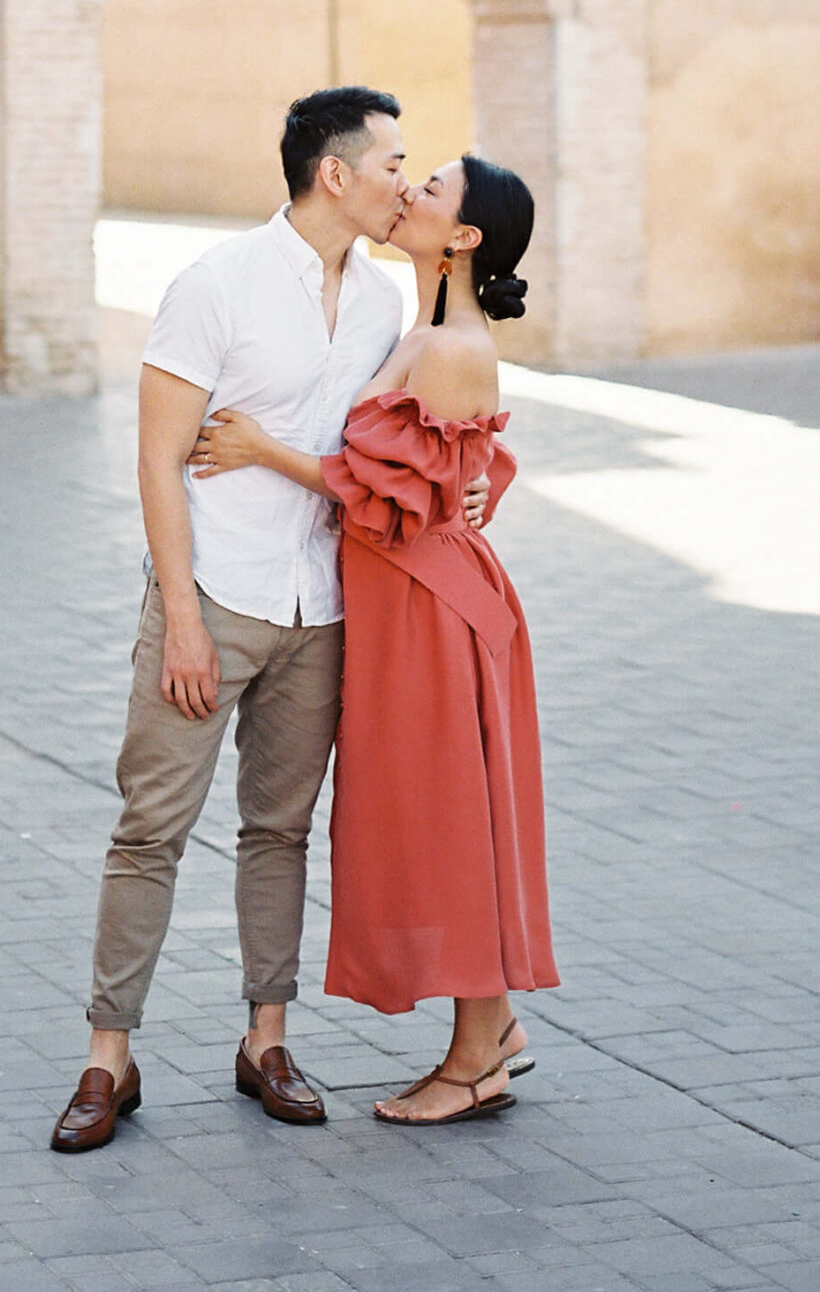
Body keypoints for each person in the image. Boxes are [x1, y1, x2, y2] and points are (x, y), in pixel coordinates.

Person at [49, 87, 490, 1154]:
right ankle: (109, 1057)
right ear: (333, 173)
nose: (404, 178)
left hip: (324, 608)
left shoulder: (387, 304)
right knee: (150, 828)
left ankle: (266, 1040)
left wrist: (470, 488)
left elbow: (408, 444)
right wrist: (183, 619)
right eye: (392, 161)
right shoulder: (217, 284)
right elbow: (157, 457)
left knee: (280, 832)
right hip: (217, 596)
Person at [189, 151, 557, 1125]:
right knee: (444, 819)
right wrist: (475, 482)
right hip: (411, 600)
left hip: (431, 612)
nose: (408, 194)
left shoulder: (446, 340)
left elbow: (382, 494)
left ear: (464, 237)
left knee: (448, 827)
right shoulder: (425, 326)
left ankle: (475, 1059)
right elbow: (466, 455)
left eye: (429, 190)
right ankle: (497, 1026)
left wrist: (258, 449)